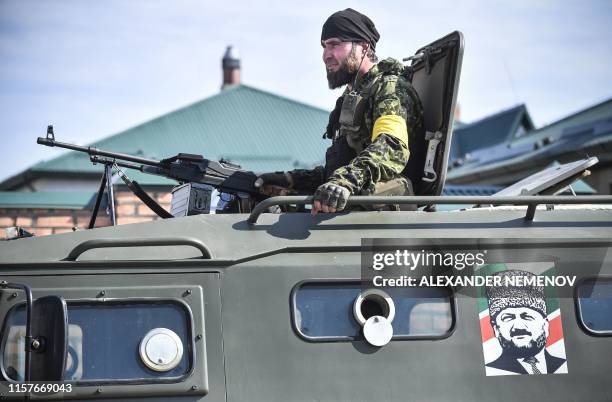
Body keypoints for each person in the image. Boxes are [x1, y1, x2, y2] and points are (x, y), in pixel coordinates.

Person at [254, 8, 424, 215]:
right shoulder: (352, 96)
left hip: (383, 214)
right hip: (355, 207)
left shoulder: (390, 88)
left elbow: (391, 147)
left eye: (335, 44)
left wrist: (344, 182)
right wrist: (291, 180)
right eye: (324, 47)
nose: (326, 55)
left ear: (363, 47)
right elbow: (338, 170)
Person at [485, 270, 567, 375]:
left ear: (545, 325)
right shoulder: (492, 370)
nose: (518, 326)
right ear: (496, 329)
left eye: (527, 317)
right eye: (508, 318)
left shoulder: (562, 366)